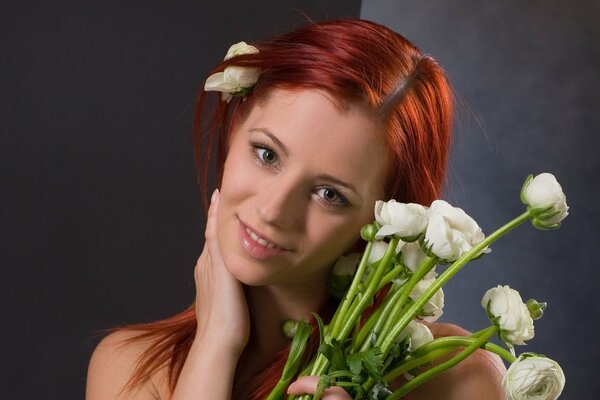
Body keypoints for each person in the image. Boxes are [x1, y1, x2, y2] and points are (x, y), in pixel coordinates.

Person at [86, 19, 507, 400]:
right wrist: (216, 343)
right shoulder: (131, 369)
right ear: (235, 130)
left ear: (384, 223)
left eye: (329, 194)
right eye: (266, 154)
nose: (272, 210)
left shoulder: (455, 379)